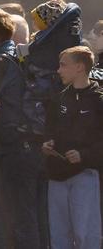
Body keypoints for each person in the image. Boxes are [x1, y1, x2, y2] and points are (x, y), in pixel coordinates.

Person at [0, 8, 41, 249]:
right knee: (25, 213)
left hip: (6, 146)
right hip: (26, 143)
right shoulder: (19, 58)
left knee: (5, 213)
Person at [41, 46, 103, 249]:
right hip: (56, 176)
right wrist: (48, 143)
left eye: (63, 65)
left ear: (79, 67)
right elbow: (48, 129)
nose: (58, 70)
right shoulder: (57, 98)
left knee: (85, 234)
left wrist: (84, 155)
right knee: (58, 236)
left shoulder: (98, 99)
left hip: (85, 175)